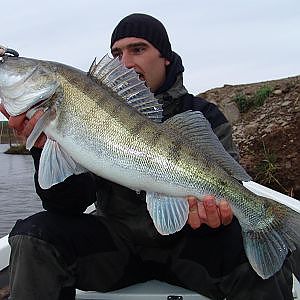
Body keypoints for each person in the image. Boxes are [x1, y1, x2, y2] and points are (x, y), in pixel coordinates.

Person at [0, 13, 294, 300]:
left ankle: (267, 224)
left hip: (191, 245)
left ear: (165, 56)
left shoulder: (202, 116)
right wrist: (41, 150)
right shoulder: (65, 116)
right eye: (116, 53)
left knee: (263, 268)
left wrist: (216, 217)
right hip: (118, 245)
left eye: (138, 49)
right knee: (34, 235)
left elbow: (229, 188)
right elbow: (67, 204)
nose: (126, 62)